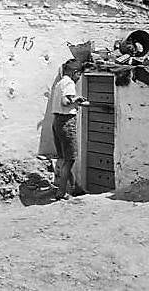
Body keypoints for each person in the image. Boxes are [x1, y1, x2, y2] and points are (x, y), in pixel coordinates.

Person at [50, 60, 88, 199]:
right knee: (70, 159)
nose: (79, 79)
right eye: (79, 76)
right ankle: (61, 192)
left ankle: (74, 187)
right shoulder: (69, 83)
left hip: (57, 122)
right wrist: (77, 100)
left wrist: (75, 100)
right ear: (75, 73)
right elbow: (65, 102)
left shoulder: (60, 83)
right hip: (66, 122)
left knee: (64, 157)